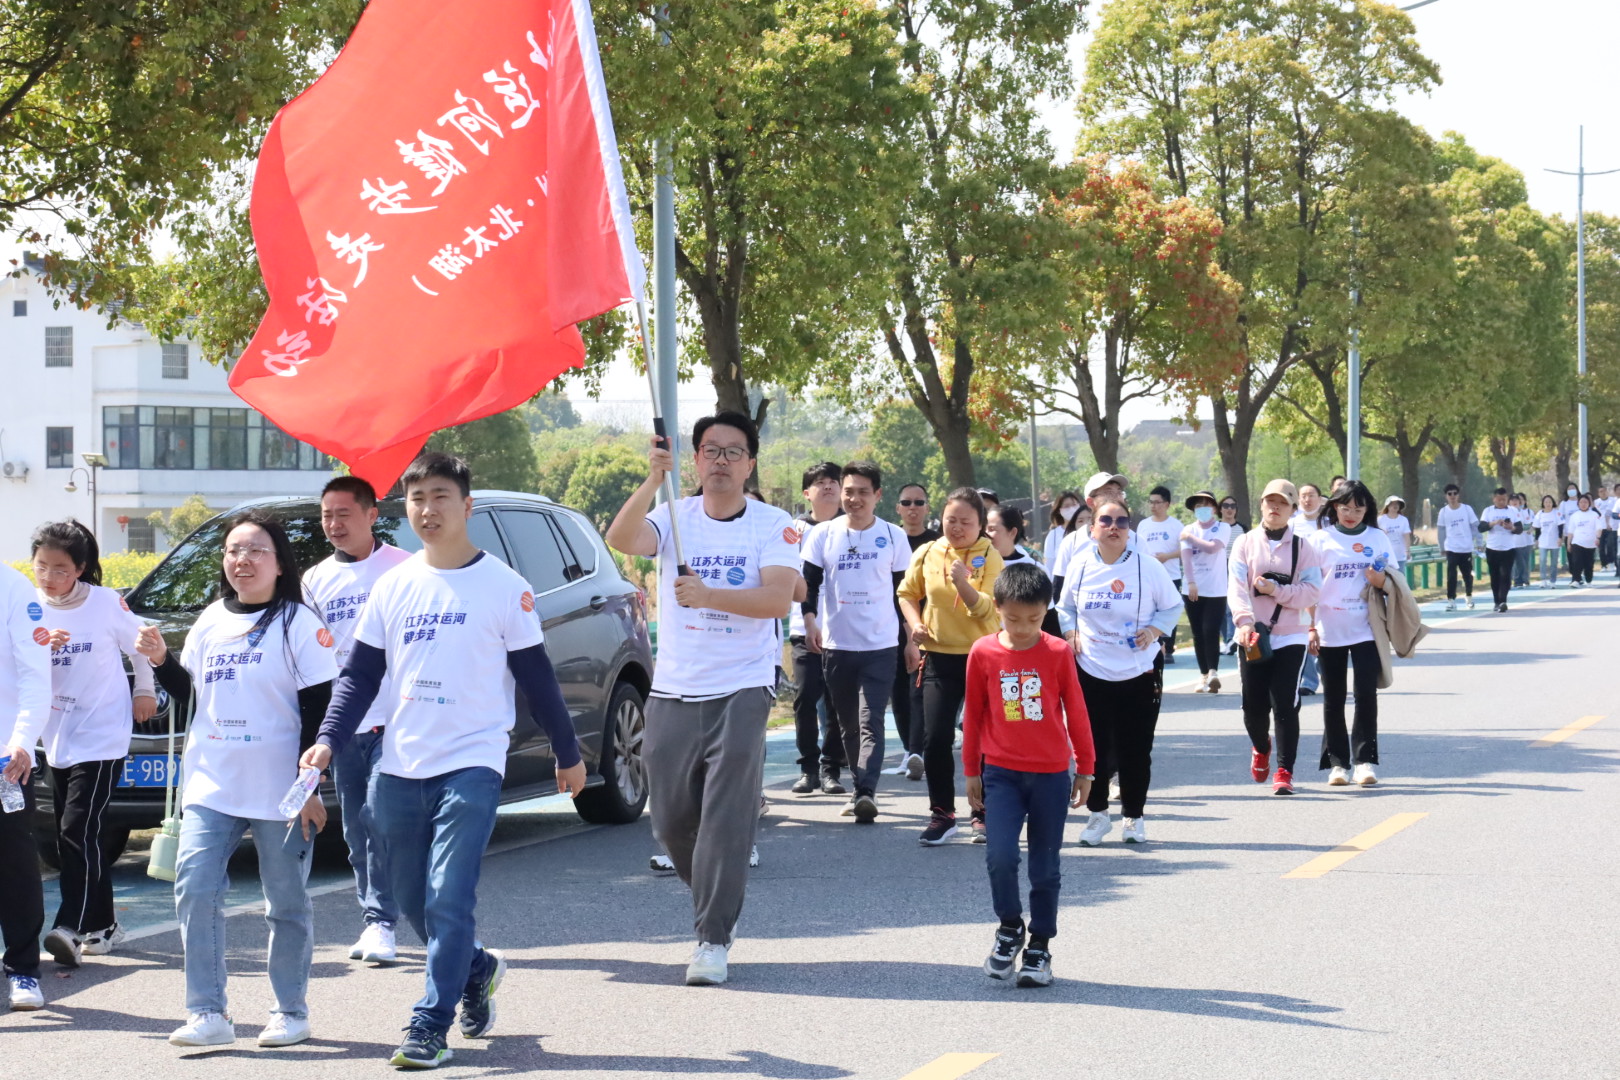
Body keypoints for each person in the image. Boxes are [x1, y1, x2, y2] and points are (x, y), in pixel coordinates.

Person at [301, 454, 583, 1065]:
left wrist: (568, 751)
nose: (428, 510)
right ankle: (476, 968)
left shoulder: (506, 588)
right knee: (411, 901)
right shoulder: (394, 586)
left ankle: (429, 1023)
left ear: (467, 506)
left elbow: (538, 680)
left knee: (449, 895)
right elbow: (359, 677)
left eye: (440, 497)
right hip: (400, 766)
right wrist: (328, 738)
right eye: (417, 499)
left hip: (473, 763)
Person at [134, 509, 339, 1049]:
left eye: (255, 551)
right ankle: (208, 1013)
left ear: (278, 563)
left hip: (281, 792)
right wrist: (162, 662)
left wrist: (310, 788)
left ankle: (290, 1011)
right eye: (233, 551)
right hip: (212, 783)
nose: (242, 560)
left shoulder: (299, 623)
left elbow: (321, 711)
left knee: (285, 902)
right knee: (195, 889)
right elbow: (194, 698)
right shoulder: (209, 621)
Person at [605, 414, 796, 988]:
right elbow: (620, 539)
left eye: (733, 453)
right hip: (675, 685)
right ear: (694, 461)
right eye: (710, 451)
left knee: (726, 815)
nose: (721, 461)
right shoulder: (673, 517)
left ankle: (712, 936)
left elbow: (776, 600)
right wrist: (649, 481)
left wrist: (710, 595)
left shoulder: (774, 523)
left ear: (750, 464)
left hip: (743, 682)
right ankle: (716, 890)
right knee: (670, 817)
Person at [31, 521, 155, 969]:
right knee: (79, 833)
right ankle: (103, 924)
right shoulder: (28, 608)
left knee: (76, 828)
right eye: (41, 566)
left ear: (81, 569)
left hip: (102, 731)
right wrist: (41, 647)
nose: (49, 577)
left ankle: (69, 926)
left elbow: (141, 643)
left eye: (60, 569)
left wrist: (144, 689)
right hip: (56, 733)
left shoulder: (104, 603)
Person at [964, 563, 1094, 988]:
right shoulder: (983, 652)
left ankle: (1039, 945)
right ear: (997, 607)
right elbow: (975, 715)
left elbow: (1076, 711)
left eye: (1034, 619)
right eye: (1013, 618)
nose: (1023, 629)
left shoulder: (1057, 653)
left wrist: (1086, 769)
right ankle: (1009, 927)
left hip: (1052, 774)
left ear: (1046, 611)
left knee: (1044, 866)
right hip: (1001, 773)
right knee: (999, 856)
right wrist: (971, 772)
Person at [301, 476, 413, 966]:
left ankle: (383, 920)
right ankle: (376, 917)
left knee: (381, 817)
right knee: (356, 828)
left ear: (372, 514)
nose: (334, 524)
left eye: (344, 513)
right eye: (327, 515)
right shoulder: (314, 581)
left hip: (399, 719)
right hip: (344, 724)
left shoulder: (406, 570)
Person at [1057, 498, 1181, 843]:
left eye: (1122, 521)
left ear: (1130, 530)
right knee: (1091, 746)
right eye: (1106, 521)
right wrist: (1071, 633)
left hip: (1139, 669)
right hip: (1091, 666)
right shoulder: (1080, 565)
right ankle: (1098, 816)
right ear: (1092, 528)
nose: (1114, 527)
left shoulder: (1147, 566)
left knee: (1136, 747)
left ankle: (1133, 817)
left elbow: (1172, 606)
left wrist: (1154, 630)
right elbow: (1064, 607)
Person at [800, 462, 912, 824]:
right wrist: (810, 621)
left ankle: (866, 791)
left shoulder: (893, 536)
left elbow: (905, 594)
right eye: (849, 491)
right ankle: (859, 786)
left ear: (877, 495)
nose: (854, 498)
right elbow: (809, 584)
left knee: (871, 719)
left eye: (863, 492)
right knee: (847, 723)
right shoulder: (824, 535)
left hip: (881, 645)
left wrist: (911, 639)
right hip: (837, 644)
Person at [898, 487, 1005, 846]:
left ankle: (984, 813)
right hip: (939, 656)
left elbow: (987, 610)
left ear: (980, 525)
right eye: (950, 520)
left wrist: (963, 583)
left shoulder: (991, 557)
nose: (957, 528)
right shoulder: (928, 551)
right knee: (936, 737)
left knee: (983, 738)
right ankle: (942, 814)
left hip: (983, 656)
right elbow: (906, 593)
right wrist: (914, 624)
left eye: (965, 522)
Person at [1229, 481, 1323, 795]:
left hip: (1291, 636)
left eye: (1282, 503)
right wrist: (1243, 622)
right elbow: (1238, 587)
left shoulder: (1303, 547)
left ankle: (1284, 770)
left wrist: (1277, 591)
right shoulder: (1243, 543)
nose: (1275, 507)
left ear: (1293, 509)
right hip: (1253, 635)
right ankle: (1261, 746)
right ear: (1261, 505)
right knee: (1253, 706)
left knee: (1285, 703)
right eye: (1270, 501)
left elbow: (1312, 591)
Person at [1309, 481, 1393, 787]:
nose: (1351, 514)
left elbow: (1393, 579)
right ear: (1334, 507)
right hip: (1329, 627)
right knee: (1333, 698)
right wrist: (1310, 627)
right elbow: (1309, 587)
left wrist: (1379, 579)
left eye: (1358, 509)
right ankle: (1337, 765)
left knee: (1365, 696)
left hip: (1367, 627)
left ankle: (1364, 761)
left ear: (1367, 510)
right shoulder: (1319, 540)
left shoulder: (1378, 537)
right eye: (1345, 508)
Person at [2, 562, 51, 1011]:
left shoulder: (14, 589)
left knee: (14, 864)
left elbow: (37, 675)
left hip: (4, 760)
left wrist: (22, 742)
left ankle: (23, 969)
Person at [787, 463, 845, 797]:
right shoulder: (793, 530)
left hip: (842, 630)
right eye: (819, 483)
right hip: (802, 628)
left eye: (832, 482)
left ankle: (831, 770)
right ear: (807, 493)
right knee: (805, 697)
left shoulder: (850, 527)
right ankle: (808, 769)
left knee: (837, 701)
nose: (827, 488)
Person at [889, 483, 939, 780]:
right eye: (906, 502)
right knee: (898, 690)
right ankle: (910, 749)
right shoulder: (890, 539)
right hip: (890, 624)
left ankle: (918, 750)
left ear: (927, 508)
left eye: (918, 502)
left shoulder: (937, 543)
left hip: (926, 627)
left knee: (918, 689)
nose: (912, 507)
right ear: (898, 508)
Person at [1179, 491, 1232, 694]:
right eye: (1198, 505)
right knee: (1198, 633)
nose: (1202, 508)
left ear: (1214, 508)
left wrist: (1191, 538)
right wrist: (1191, 582)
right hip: (1192, 588)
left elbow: (1212, 548)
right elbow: (1186, 557)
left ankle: (1213, 672)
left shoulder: (1222, 527)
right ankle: (1203, 675)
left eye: (1207, 505)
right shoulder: (1187, 529)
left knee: (1211, 629)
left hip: (1216, 588)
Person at [1137, 487, 1182, 664]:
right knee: (1150, 611)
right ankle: (1154, 642)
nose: (1153, 506)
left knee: (1170, 609)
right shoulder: (1144, 525)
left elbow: (1184, 550)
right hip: (1148, 576)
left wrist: (1167, 557)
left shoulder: (1176, 525)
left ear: (1167, 504)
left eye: (1157, 502)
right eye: (1151, 502)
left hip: (1171, 575)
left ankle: (1169, 648)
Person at [1436, 484, 1479, 611]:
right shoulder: (1443, 511)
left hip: (1466, 547)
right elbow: (1441, 530)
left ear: (1458, 495)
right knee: (1451, 575)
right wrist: (1441, 546)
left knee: (1467, 575)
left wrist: (1479, 542)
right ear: (1446, 496)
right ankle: (1451, 600)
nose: (1452, 496)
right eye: (1450, 494)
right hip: (1451, 548)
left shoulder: (1466, 509)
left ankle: (1469, 596)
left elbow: (1475, 526)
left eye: (1455, 493)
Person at [1479, 488, 1521, 613]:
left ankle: (1503, 601)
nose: (1502, 502)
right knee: (1495, 576)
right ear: (1494, 499)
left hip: (1508, 548)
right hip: (1492, 548)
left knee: (1506, 575)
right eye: (1499, 499)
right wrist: (1493, 523)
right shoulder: (1488, 511)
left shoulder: (1513, 511)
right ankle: (1496, 601)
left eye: (1504, 499)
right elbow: (1481, 528)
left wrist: (1511, 527)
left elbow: (1519, 529)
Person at [1565, 493, 1602, 587]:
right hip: (1577, 542)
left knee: (1589, 563)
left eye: (1585, 502)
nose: (1583, 504)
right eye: (1581, 502)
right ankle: (1576, 580)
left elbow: (1599, 528)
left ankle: (1588, 580)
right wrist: (1569, 543)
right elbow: (1571, 531)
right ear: (1578, 504)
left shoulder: (1594, 515)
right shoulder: (1574, 516)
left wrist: (1598, 538)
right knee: (1577, 561)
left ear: (1589, 503)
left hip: (1590, 543)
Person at [1045, 491, 1082, 571]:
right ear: (1059, 510)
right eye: (1067, 506)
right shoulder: (1053, 535)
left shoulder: (1087, 531)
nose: (1072, 508)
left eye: (1074, 505)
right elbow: (1049, 564)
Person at [1534, 495, 1564, 588]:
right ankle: (1543, 580)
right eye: (1546, 502)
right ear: (1543, 503)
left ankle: (1553, 581)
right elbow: (1537, 528)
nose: (1548, 504)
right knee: (1542, 560)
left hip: (1554, 541)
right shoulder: (1539, 514)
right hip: (1543, 541)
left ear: (1552, 503)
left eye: (1550, 502)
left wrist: (1560, 538)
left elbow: (1560, 526)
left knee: (1554, 562)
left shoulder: (1557, 513)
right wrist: (1536, 539)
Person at [1378, 496, 1411, 568]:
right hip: (1385, 555)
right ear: (1387, 506)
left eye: (1397, 504)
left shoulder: (1403, 520)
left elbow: (1407, 536)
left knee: (1400, 577)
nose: (1395, 506)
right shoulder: (1380, 519)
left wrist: (1407, 551)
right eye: (1392, 504)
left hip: (1400, 555)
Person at [1511, 494, 1534, 589]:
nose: (1516, 502)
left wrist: (1522, 528)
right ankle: (1517, 580)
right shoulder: (1508, 512)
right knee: (1516, 563)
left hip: (1524, 541)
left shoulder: (1524, 512)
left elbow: (1528, 524)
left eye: (1518, 500)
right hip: (1512, 542)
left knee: (1523, 562)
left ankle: (1523, 579)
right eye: (1513, 500)